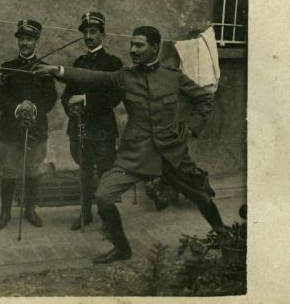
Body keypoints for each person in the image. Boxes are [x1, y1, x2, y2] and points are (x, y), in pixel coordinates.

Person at [33, 26, 226, 264]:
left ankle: (225, 239)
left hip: (171, 154)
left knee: (202, 197)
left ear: (154, 47)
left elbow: (205, 99)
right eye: (132, 44)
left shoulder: (173, 76)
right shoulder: (125, 76)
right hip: (135, 155)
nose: (132, 50)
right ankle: (122, 248)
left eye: (139, 45)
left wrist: (191, 129)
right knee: (103, 196)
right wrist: (58, 70)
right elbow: (92, 77)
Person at [0, 19, 58, 230]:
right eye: (21, 38)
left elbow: (50, 97)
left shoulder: (45, 69)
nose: (25, 43)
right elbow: (0, 97)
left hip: (36, 128)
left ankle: (30, 210)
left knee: (32, 169)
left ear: (36, 41)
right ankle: (5, 213)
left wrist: (33, 108)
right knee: (9, 170)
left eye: (29, 39)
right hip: (10, 129)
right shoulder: (7, 67)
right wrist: (19, 108)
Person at [61, 12, 123, 230]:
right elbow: (67, 92)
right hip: (80, 127)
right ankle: (85, 213)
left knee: (106, 174)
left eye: (93, 32)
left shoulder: (113, 63)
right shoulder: (79, 62)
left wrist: (85, 99)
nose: (88, 36)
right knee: (84, 172)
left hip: (102, 129)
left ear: (102, 35)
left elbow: (114, 97)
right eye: (85, 32)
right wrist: (69, 104)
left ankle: (108, 217)